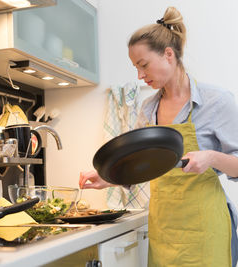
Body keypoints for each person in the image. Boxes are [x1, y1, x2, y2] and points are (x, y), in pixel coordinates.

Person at [80, 6, 238, 267]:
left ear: (168, 55)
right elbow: (144, 166)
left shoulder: (216, 101)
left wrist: (210, 157)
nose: (140, 76)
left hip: (205, 230)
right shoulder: (148, 109)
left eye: (143, 65)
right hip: (164, 229)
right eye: (136, 68)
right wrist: (108, 177)